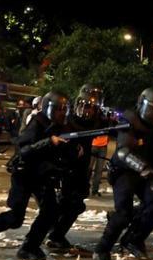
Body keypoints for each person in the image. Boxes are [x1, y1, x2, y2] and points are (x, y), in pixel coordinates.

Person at [0, 91, 76, 260]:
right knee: (16, 218)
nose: (62, 113)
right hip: (24, 174)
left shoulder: (60, 126)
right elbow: (25, 150)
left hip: (42, 176)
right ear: (50, 109)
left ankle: (29, 247)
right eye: (59, 109)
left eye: (65, 110)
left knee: (50, 212)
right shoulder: (37, 123)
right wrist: (49, 142)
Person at [93, 87, 153, 260]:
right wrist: (142, 166)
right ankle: (102, 249)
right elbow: (123, 152)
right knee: (123, 213)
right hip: (125, 171)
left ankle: (133, 239)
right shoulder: (129, 121)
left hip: (146, 173)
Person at [46, 85, 107, 250]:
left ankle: (55, 233)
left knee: (76, 204)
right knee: (67, 204)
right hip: (65, 169)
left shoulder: (95, 123)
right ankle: (53, 234)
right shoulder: (66, 121)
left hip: (81, 169)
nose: (88, 111)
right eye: (85, 106)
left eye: (92, 108)